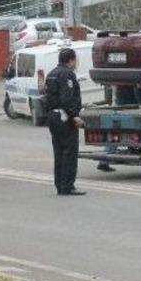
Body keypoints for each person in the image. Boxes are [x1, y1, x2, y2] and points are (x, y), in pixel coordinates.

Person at [45, 48, 86, 196]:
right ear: (71, 60)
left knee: (59, 152)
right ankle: (67, 186)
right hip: (64, 117)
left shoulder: (52, 74)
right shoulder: (67, 74)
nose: (76, 63)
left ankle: (60, 185)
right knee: (69, 152)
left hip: (52, 116)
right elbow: (66, 99)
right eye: (75, 60)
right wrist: (74, 115)